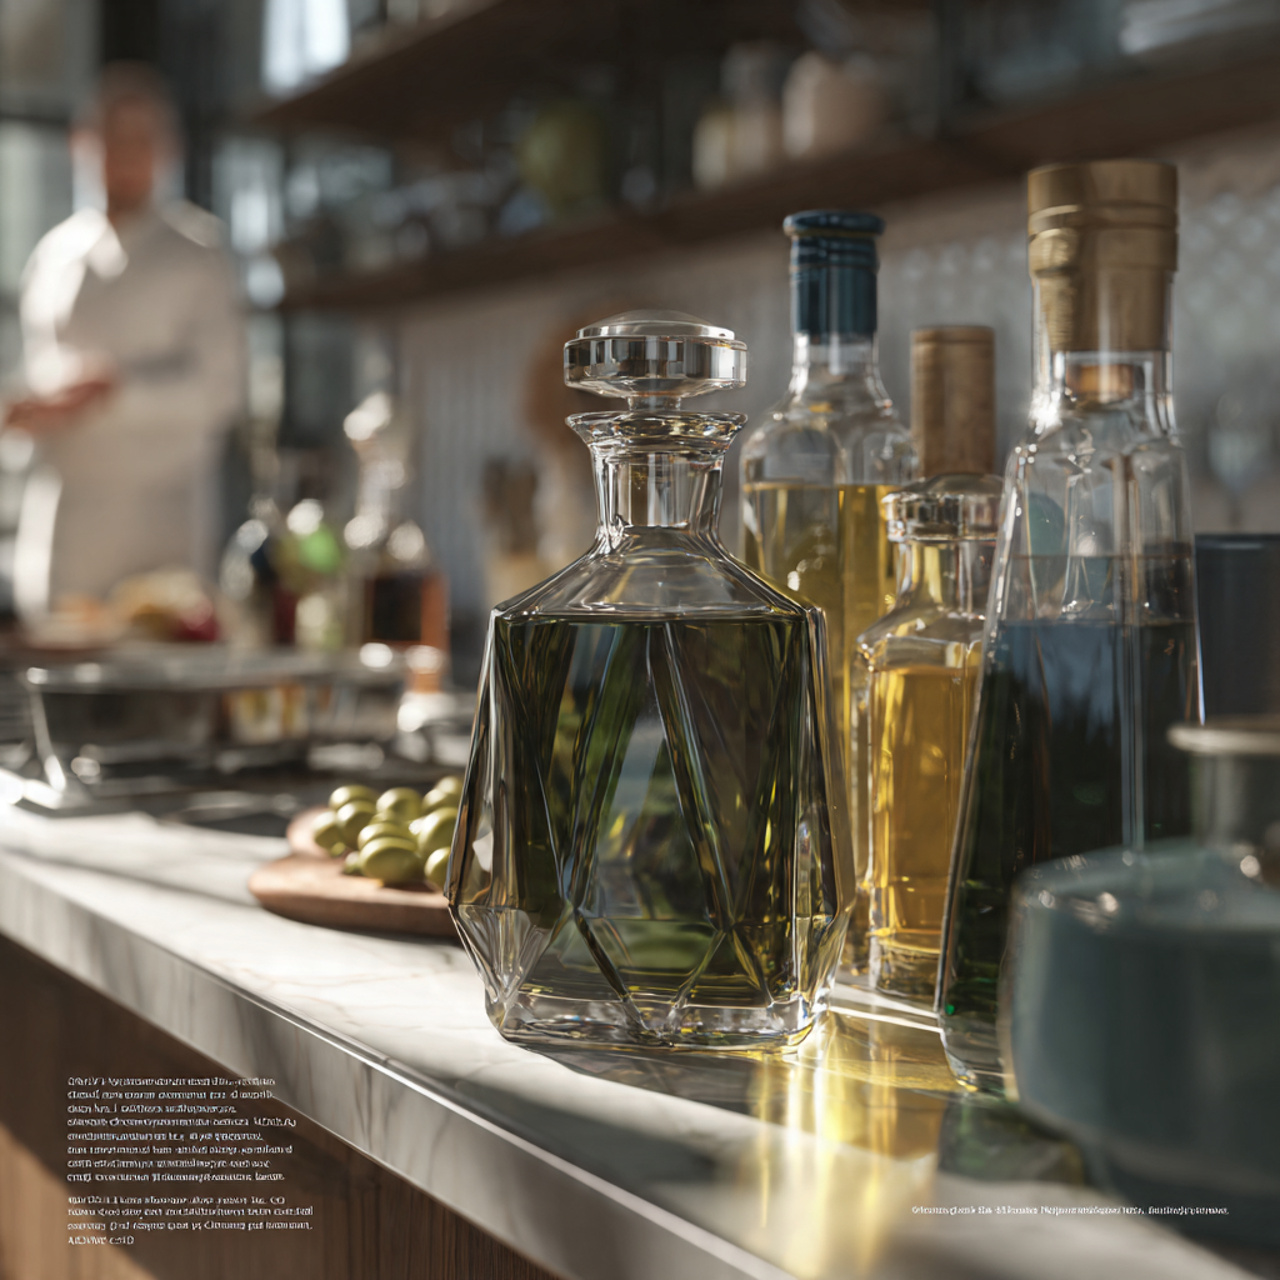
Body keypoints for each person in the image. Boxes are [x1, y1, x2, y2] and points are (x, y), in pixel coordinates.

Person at [4, 62, 245, 613]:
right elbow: (39, 368)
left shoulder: (200, 254)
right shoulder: (54, 254)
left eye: (141, 139)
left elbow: (221, 391)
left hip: (161, 522)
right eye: (112, 138)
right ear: (82, 145)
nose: (126, 155)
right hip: (68, 519)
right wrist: (29, 410)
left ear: (168, 150)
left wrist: (114, 390)